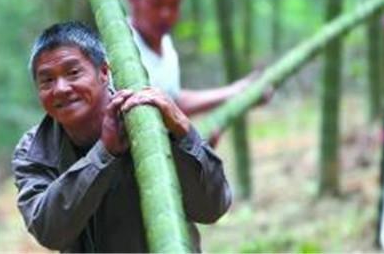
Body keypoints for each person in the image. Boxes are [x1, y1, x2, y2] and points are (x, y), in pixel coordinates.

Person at [12, 22, 232, 252]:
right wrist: (104, 154)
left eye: (73, 72)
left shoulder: (147, 120)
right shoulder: (33, 149)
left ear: (104, 72)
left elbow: (212, 209)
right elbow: (49, 231)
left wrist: (185, 133)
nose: (61, 88)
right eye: (47, 80)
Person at [127, 0, 272, 121]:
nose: (165, 14)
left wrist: (237, 91)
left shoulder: (165, 44)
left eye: (174, 4)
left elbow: (172, 99)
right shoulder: (121, 50)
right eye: (156, 3)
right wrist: (234, 92)